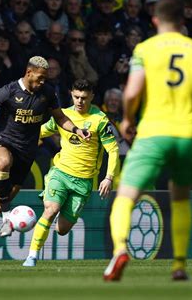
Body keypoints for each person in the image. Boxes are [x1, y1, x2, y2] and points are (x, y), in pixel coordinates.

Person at [103, 0, 192, 282]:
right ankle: (179, 264)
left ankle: (121, 249)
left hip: (153, 133)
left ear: (155, 20)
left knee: (125, 194)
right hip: (187, 135)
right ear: (183, 21)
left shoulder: (145, 49)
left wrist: (126, 119)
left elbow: (133, 91)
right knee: (181, 197)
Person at [0, 56, 90, 268]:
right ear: (29, 72)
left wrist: (77, 129)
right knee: (2, 163)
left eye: (45, 78)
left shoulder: (48, 93)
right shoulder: (9, 91)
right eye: (40, 78)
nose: (43, 81)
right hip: (5, 142)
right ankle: (7, 216)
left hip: (27, 154)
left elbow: (59, 117)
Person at [23, 79, 119, 267]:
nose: (80, 101)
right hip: (61, 172)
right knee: (51, 210)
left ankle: (46, 219)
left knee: (62, 229)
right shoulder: (63, 115)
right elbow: (41, 131)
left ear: (91, 96)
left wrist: (108, 178)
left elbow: (113, 150)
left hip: (83, 182)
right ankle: (32, 256)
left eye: (84, 97)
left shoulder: (99, 120)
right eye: (76, 97)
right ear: (71, 94)